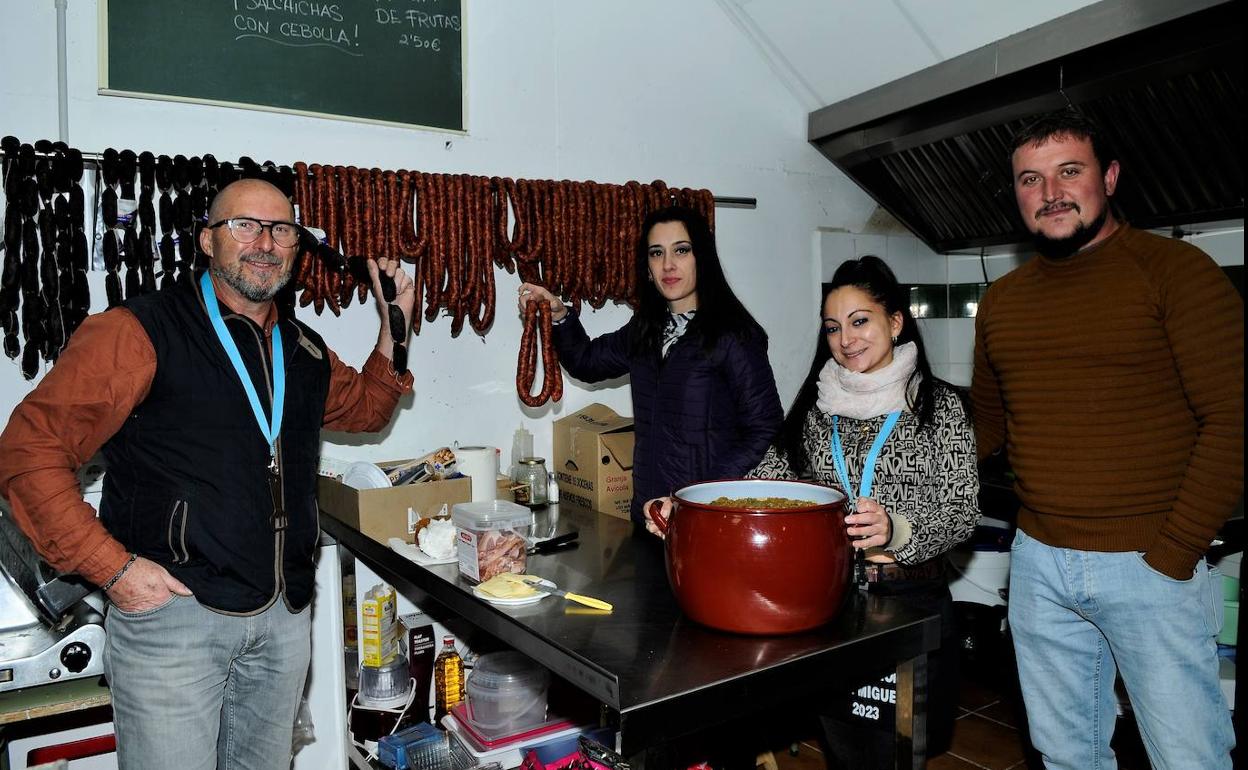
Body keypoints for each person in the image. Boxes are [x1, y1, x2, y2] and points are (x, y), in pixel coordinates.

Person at [0, 178, 418, 770]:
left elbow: (370, 406)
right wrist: (114, 570)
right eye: (244, 225)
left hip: (283, 615)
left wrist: (393, 325)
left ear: (297, 248)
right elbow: (28, 452)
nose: (265, 243)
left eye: (281, 230)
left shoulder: (303, 350)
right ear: (206, 240)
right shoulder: (138, 332)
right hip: (174, 618)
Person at [972, 110, 1243, 769]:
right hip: (1038, 563)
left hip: (1152, 563)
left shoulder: (1178, 272)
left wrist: (1173, 554)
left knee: (1188, 758)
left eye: (1070, 171)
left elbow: (1234, 420)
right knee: (1066, 756)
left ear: (1110, 177)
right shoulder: (1003, 301)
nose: (1050, 193)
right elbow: (982, 431)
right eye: (1030, 179)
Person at [648, 255, 979, 765]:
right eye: (832, 328)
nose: (846, 339)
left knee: (895, 751)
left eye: (860, 321)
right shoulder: (815, 410)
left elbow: (961, 509)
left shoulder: (940, 407)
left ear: (895, 321)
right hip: (834, 607)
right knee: (846, 749)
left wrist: (896, 528)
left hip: (908, 605)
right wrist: (689, 506)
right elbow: (762, 483)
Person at [518, 205, 782, 525]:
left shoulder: (735, 335)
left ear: (703, 257)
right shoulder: (645, 330)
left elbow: (764, 427)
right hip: (648, 514)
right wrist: (559, 316)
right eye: (656, 253)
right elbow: (586, 362)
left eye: (681, 250)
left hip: (705, 517)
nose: (668, 264)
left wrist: (700, 495)